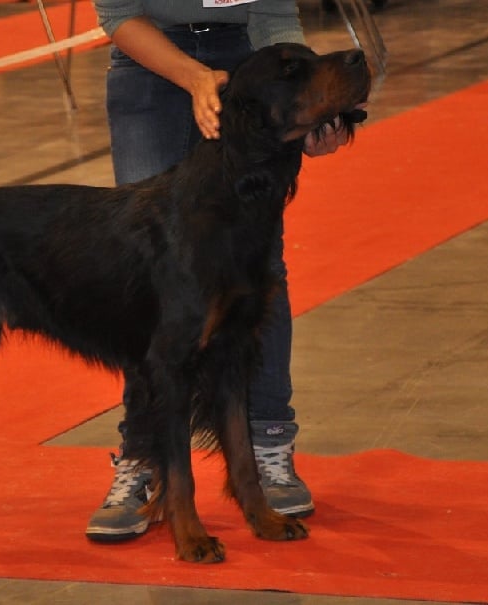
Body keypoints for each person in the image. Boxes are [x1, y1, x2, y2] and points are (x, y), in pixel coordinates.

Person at [85, 0, 355, 542]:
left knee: (259, 272)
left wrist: (309, 107)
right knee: (150, 298)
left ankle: (269, 444)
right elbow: (118, 12)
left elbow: (274, 13)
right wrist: (197, 78)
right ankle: (143, 458)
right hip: (149, 66)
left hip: (249, 64)